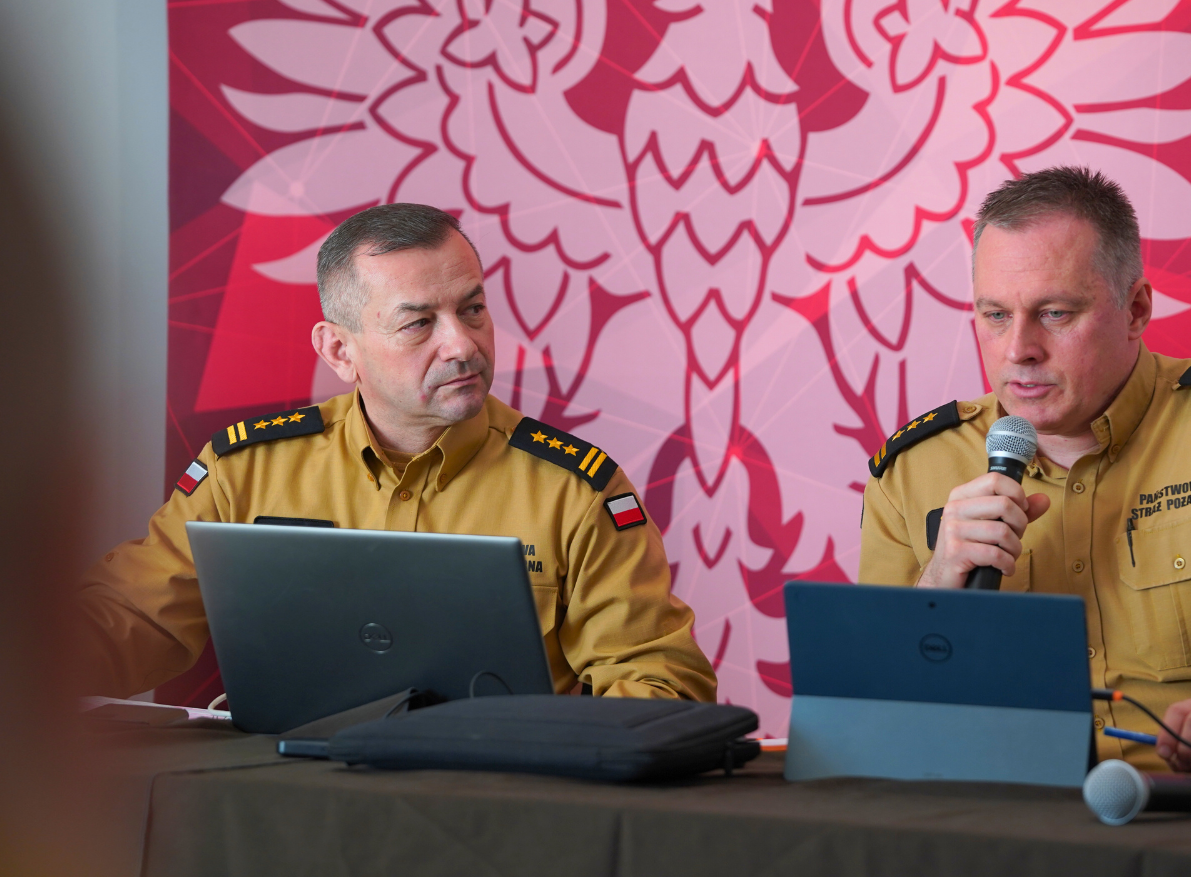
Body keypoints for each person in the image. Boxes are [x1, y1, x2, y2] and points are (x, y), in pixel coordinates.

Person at [858, 167, 1191, 774]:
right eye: (996, 315)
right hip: (1009, 814)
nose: (1018, 349)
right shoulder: (911, 471)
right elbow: (868, 711)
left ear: (1135, 310)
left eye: (1055, 313)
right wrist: (935, 587)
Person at [75, 203, 715, 703]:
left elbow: (662, 682)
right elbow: (135, 620)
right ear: (338, 350)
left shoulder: (576, 489)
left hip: (497, 802)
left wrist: (557, 748)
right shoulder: (244, 470)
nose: (462, 344)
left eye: (472, 309)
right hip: (289, 801)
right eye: (418, 323)